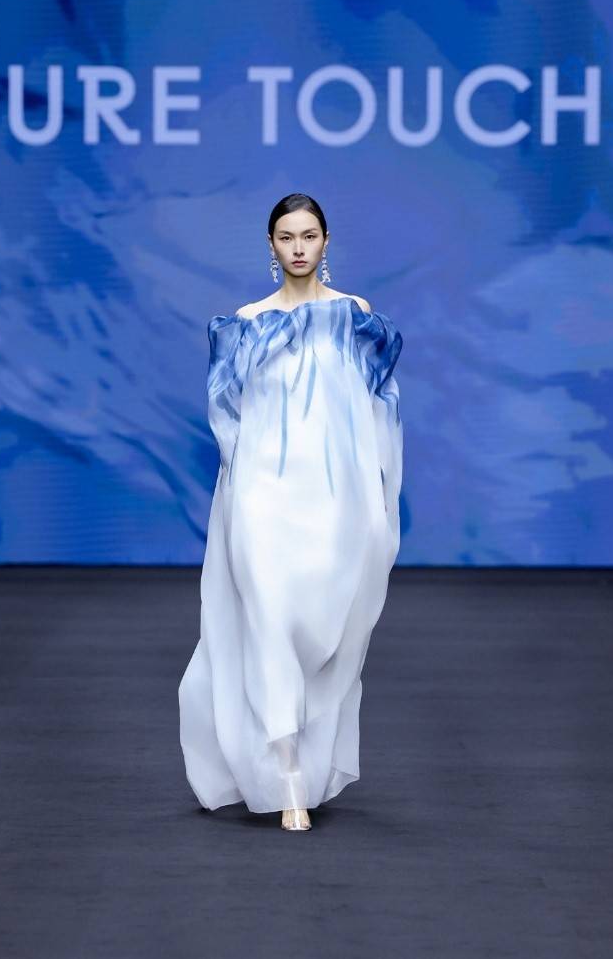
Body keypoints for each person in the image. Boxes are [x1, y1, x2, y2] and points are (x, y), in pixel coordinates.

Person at [178, 192, 404, 831]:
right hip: (261, 496)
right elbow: (226, 417)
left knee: (328, 631)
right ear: (271, 245)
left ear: (326, 241)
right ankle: (288, 780)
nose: (298, 247)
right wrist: (236, 494)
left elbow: (380, 409)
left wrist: (377, 496)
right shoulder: (245, 324)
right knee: (270, 621)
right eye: (286, 236)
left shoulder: (355, 318)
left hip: (332, 499)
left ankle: (304, 754)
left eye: (309, 235)